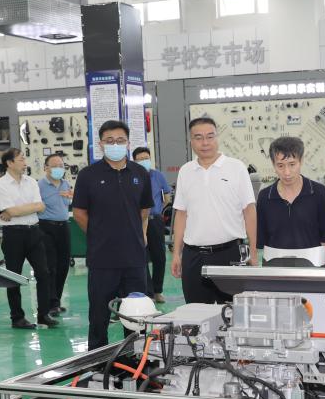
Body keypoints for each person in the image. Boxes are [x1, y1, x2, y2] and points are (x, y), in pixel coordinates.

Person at [73, 120, 153, 350]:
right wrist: (99, 234)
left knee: (136, 316)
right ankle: (97, 362)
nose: (115, 144)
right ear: (100, 144)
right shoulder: (88, 175)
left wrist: (140, 234)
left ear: (128, 143)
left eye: (120, 140)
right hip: (102, 259)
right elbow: (79, 213)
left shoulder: (140, 173)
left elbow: (144, 210)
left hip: (134, 258)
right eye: (109, 140)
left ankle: (137, 359)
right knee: (99, 316)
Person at [171, 117, 258, 304]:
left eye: (210, 137)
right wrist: (177, 253)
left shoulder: (236, 168)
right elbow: (181, 214)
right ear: (191, 141)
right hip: (193, 257)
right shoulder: (185, 171)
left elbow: (249, 211)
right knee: (196, 313)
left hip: (230, 254)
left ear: (217, 138)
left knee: (234, 312)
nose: (205, 143)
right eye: (198, 137)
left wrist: (253, 251)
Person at [0, 148, 55, 329]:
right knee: (13, 277)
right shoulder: (0, 186)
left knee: (43, 273)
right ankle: (17, 318)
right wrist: (25, 208)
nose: (25, 163)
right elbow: (12, 211)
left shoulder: (31, 182)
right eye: (21, 160)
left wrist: (17, 210)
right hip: (13, 235)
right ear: (9, 163)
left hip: (34, 232)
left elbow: (40, 207)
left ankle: (44, 315)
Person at [256, 136, 325, 267]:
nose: (287, 172)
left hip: (312, 267)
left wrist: (316, 265)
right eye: (280, 166)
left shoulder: (319, 193)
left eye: (292, 164)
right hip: (274, 268)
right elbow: (262, 241)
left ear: (301, 161)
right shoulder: (265, 197)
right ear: (273, 164)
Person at [132, 146, 172, 303]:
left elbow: (167, 197)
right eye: (140, 159)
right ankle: (148, 292)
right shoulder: (131, 176)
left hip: (155, 220)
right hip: (137, 221)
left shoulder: (158, 176)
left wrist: (157, 210)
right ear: (134, 161)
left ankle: (157, 290)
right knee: (141, 257)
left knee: (159, 257)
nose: (144, 161)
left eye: (146, 158)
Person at [37, 152, 73, 318]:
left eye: (61, 166)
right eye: (55, 166)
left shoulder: (66, 184)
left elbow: (68, 204)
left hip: (63, 227)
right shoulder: (39, 185)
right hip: (46, 227)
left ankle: (56, 300)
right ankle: (51, 303)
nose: (59, 168)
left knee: (63, 266)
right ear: (46, 168)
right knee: (50, 266)